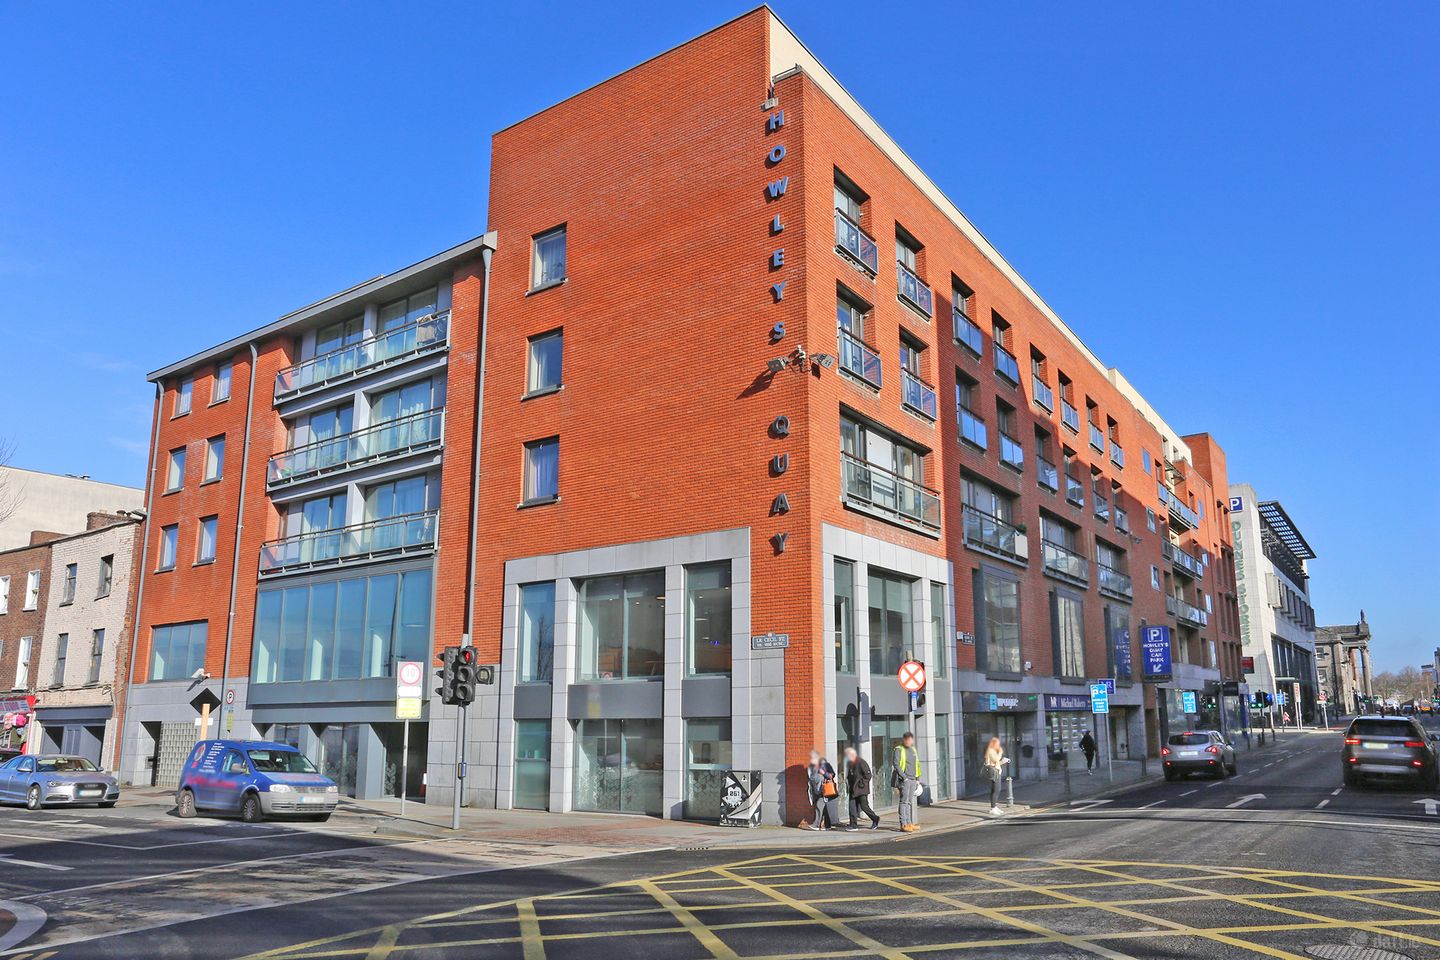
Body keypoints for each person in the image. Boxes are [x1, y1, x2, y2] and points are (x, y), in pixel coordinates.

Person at [842, 745, 880, 831]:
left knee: (864, 806)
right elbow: (850, 775)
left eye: (848, 755)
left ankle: (875, 819)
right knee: (852, 807)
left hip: (861, 789)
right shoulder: (850, 764)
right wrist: (847, 780)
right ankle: (853, 825)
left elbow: (868, 775)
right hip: (853, 789)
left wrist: (861, 783)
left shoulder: (861, 762)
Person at [892, 731, 922, 833]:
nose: (910, 741)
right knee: (903, 801)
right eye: (908, 740)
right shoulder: (899, 749)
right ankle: (903, 824)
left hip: (913, 779)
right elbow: (896, 764)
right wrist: (904, 777)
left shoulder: (913, 749)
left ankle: (909, 823)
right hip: (905, 780)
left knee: (909, 802)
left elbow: (917, 764)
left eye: (911, 739)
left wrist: (918, 778)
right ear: (904, 740)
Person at [806, 750, 839, 830]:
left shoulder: (825, 765)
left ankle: (816, 825)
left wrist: (823, 773)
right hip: (816, 790)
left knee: (819, 806)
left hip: (824, 790)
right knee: (824, 809)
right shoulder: (811, 767)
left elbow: (831, 775)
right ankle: (828, 825)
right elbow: (811, 778)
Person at [983, 736, 1009, 816]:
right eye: (998, 743)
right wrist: (1001, 753)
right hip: (994, 772)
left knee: (995, 790)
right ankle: (993, 808)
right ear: (994, 744)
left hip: (996, 771)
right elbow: (996, 760)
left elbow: (996, 762)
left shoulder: (992, 750)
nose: (999, 745)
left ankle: (994, 806)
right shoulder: (991, 751)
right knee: (997, 790)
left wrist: (1003, 761)